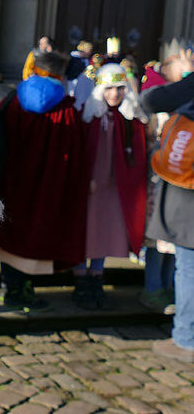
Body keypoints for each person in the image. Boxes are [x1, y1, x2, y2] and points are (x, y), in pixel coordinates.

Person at [0, 51, 88, 311]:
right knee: (36, 230)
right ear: (60, 76)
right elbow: (74, 156)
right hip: (47, 187)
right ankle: (24, 289)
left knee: (11, 228)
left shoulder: (12, 99)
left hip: (12, 180)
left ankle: (8, 286)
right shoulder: (66, 109)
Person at [73, 63, 148, 309]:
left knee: (104, 233)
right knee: (84, 232)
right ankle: (80, 281)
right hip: (90, 187)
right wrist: (86, 177)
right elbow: (80, 151)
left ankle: (96, 276)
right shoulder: (88, 116)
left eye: (119, 89)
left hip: (115, 188)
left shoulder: (129, 119)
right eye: (109, 89)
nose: (114, 94)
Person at [141, 68, 194, 362]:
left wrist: (185, 77)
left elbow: (151, 100)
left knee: (189, 266)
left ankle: (187, 337)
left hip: (188, 192)